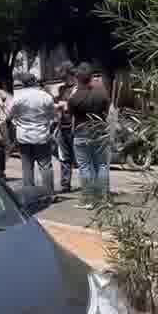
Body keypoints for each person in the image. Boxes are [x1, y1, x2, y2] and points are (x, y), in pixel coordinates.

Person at [67, 64, 112, 208]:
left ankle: (88, 200)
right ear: (91, 77)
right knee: (102, 165)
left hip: (81, 134)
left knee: (85, 167)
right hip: (99, 132)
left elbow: (71, 116)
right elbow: (107, 113)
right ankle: (103, 199)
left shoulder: (73, 98)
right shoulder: (102, 94)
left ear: (77, 79)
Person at [9, 72, 56, 194]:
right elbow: (53, 116)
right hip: (42, 135)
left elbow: (10, 115)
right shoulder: (46, 96)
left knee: (27, 166)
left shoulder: (18, 98)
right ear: (35, 81)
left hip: (24, 136)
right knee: (45, 166)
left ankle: (29, 194)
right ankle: (49, 193)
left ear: (23, 83)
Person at [55, 62, 77, 193]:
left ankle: (88, 185)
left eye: (61, 73)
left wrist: (65, 104)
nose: (60, 76)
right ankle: (65, 184)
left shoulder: (77, 87)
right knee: (64, 157)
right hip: (62, 125)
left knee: (79, 157)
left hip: (74, 126)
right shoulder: (61, 89)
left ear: (68, 73)